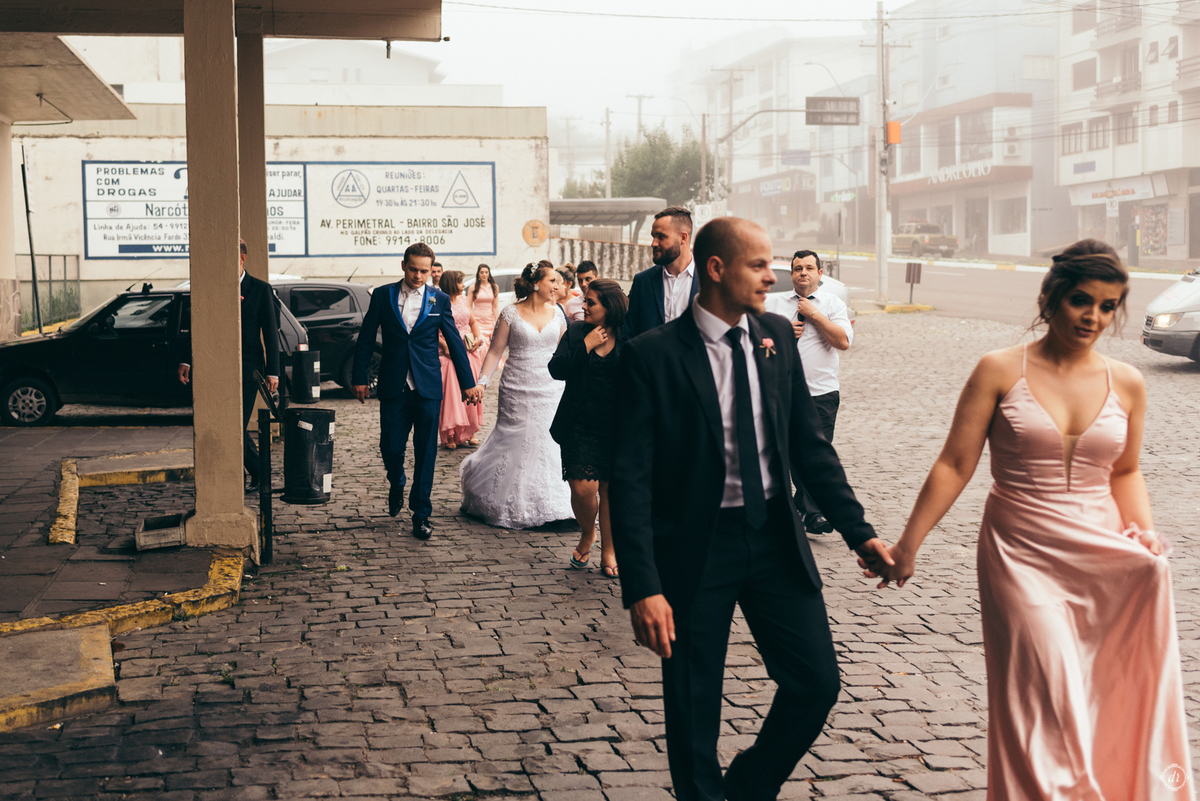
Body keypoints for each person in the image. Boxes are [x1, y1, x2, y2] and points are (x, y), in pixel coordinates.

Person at [873, 240, 1193, 800]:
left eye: (1108, 306)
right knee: (1044, 696)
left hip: (1103, 555)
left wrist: (1142, 534)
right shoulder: (999, 370)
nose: (1093, 317)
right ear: (1050, 297)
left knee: (1105, 692)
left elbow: (1125, 472)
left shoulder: (1128, 382)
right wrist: (908, 546)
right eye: (1080, 300)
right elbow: (954, 463)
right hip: (1019, 556)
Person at [610, 217, 892, 801]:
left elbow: (809, 448)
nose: (774, 276)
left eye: (775, 264)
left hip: (772, 541)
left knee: (815, 683)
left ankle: (746, 788)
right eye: (759, 265)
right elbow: (631, 481)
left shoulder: (775, 336)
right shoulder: (652, 356)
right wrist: (643, 585)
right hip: (695, 550)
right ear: (717, 269)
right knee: (694, 709)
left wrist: (858, 533)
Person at [352, 243, 482, 541]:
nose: (419, 276)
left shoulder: (439, 298)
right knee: (391, 447)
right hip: (393, 385)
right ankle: (396, 481)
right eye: (414, 269)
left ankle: (421, 513)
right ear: (403, 266)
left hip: (428, 386)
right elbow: (367, 336)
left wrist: (467, 382)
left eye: (424, 271)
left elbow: (454, 338)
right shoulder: (383, 295)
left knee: (426, 453)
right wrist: (360, 376)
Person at [460, 262, 574, 529]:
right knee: (517, 441)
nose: (558, 287)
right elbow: (495, 352)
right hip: (517, 388)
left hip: (550, 388)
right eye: (553, 281)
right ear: (536, 284)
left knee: (550, 442)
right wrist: (482, 383)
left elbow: (564, 353)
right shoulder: (510, 313)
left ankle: (557, 503)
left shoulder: (558, 312)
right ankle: (507, 500)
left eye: (558, 282)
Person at [176, 238, 278, 492]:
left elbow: (271, 333)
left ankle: (259, 473)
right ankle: (258, 473)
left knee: (234, 427)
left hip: (248, 371)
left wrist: (272, 371)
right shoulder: (214, 288)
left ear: (242, 259)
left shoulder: (260, 289)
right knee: (226, 425)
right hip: (217, 369)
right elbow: (199, 326)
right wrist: (188, 359)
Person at [765, 250, 853, 535]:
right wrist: (780, 333)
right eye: (798, 268)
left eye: (809, 268)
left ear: (819, 274)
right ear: (792, 275)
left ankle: (811, 512)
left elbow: (842, 341)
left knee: (815, 453)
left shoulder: (833, 304)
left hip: (821, 393)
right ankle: (803, 506)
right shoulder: (773, 303)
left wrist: (814, 315)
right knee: (788, 452)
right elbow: (752, 340)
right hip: (782, 392)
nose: (803, 273)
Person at [549, 279, 628, 578]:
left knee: (609, 489)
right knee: (584, 488)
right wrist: (586, 345)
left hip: (617, 425)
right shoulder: (576, 331)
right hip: (578, 423)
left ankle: (610, 550)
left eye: (590, 302)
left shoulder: (628, 334)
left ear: (609, 306)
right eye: (584, 301)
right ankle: (587, 534)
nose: (583, 306)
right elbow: (556, 369)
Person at [625, 207, 698, 338]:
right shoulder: (642, 282)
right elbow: (630, 333)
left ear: (683, 237)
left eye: (661, 236)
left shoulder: (709, 281)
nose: (653, 243)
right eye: (653, 236)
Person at [437, 270, 484, 449]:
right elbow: (433, 329)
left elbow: (473, 322)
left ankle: (470, 431)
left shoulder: (464, 300)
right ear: (450, 283)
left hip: (468, 350)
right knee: (452, 394)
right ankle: (450, 434)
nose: (463, 285)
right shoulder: (440, 301)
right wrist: (445, 345)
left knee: (471, 389)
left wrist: (477, 338)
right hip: (448, 352)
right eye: (460, 282)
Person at [469, 263, 500, 343]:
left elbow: (495, 307)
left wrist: (497, 323)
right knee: (480, 343)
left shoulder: (494, 287)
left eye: (486, 272)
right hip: (477, 319)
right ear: (478, 274)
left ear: (489, 274)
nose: (484, 274)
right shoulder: (473, 287)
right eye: (482, 272)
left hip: (489, 320)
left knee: (491, 344)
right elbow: (469, 306)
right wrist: (470, 321)